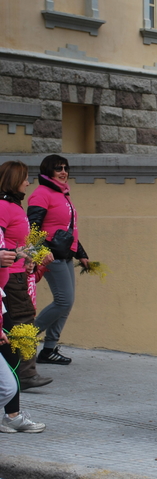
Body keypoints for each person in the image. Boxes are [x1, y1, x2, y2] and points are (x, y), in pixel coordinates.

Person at [28, 155, 90, 366]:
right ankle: (24, 338)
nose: (64, 172)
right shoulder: (41, 194)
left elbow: (68, 229)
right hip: (50, 255)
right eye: (58, 169)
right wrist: (39, 253)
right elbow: (33, 227)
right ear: (48, 172)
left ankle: (49, 349)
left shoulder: (62, 194)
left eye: (65, 168)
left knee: (67, 302)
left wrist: (81, 253)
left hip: (65, 254)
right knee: (63, 301)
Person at [0, 161, 54, 391]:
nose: (28, 182)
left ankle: (18, 373)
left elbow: (17, 243)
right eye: (25, 178)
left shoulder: (14, 207)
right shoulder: (4, 206)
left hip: (17, 273)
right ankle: (25, 374)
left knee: (16, 323)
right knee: (23, 322)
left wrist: (32, 257)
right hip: (10, 277)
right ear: (14, 179)